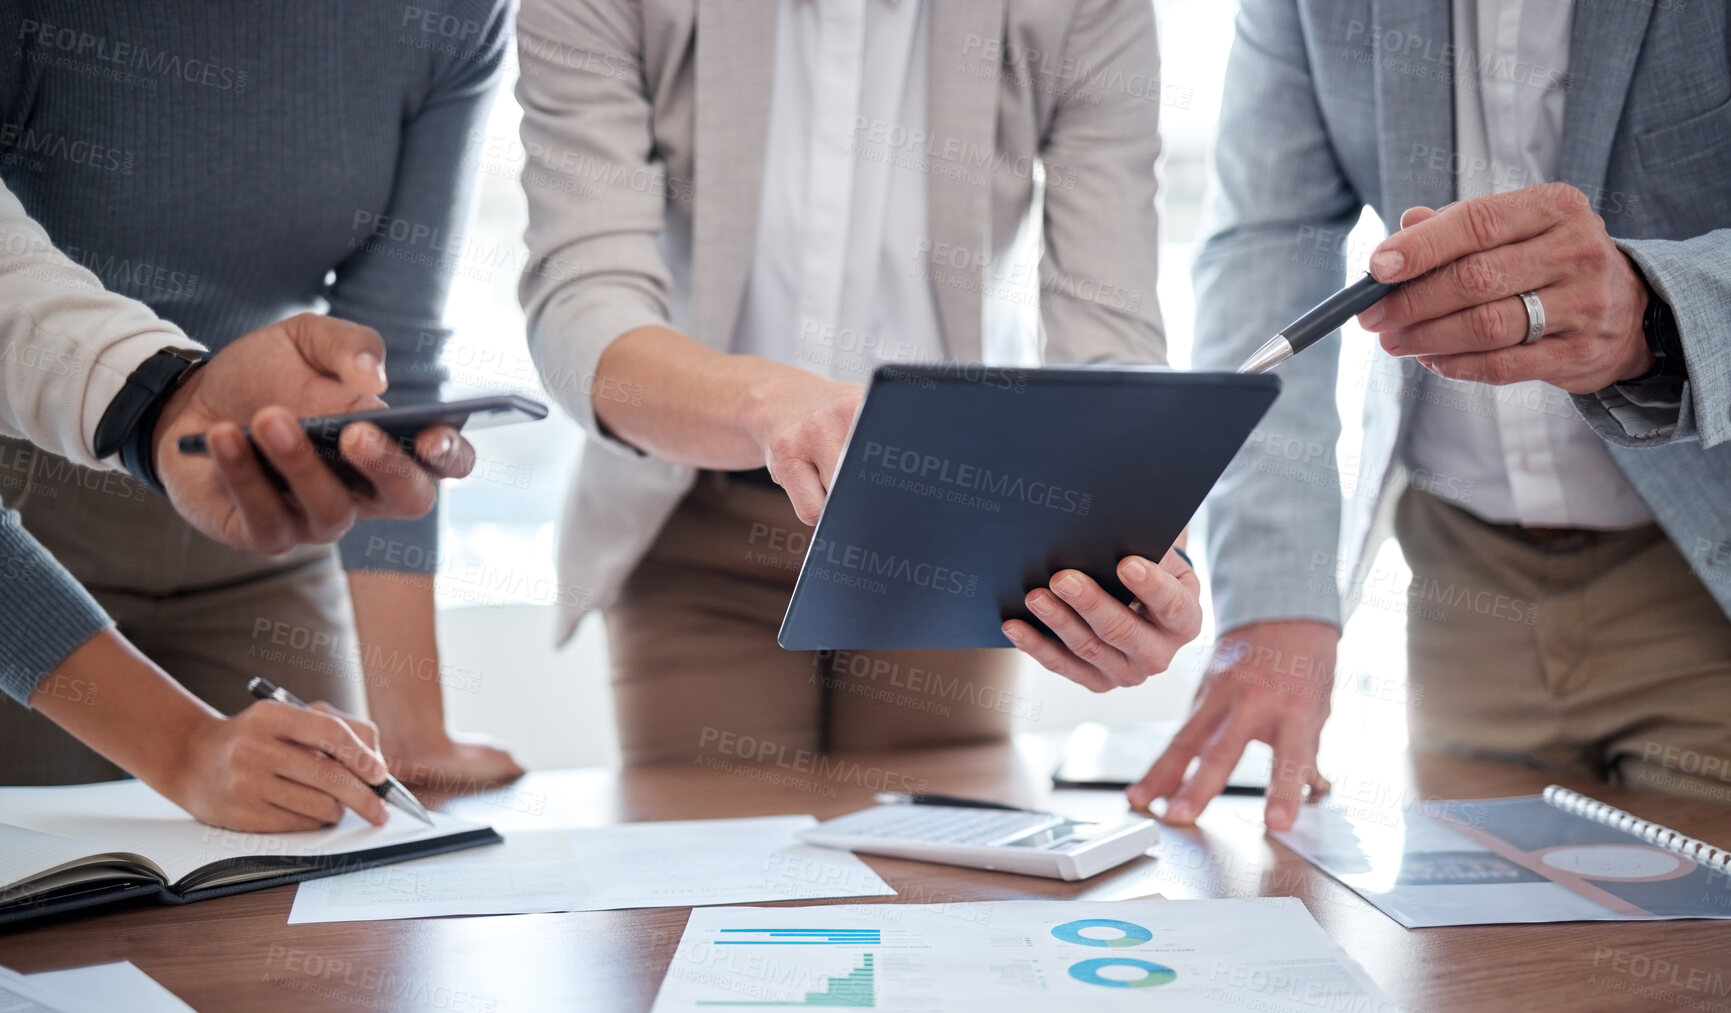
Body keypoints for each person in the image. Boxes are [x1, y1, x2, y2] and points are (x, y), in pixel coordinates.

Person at [1034, 1, 1731, 826]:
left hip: (1701, 570)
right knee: (1478, 942)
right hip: (1465, 584)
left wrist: (1652, 312)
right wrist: (1274, 598)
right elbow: (1266, 241)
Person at [517, 0, 1201, 766]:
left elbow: (1106, 329)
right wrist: (762, 404)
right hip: (695, 516)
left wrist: (1138, 532)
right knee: (708, 853)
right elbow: (580, 304)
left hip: (955, 520)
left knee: (938, 860)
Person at [0, 1, 523, 789]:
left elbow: (391, 361)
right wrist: (162, 397)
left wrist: (412, 730)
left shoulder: (454, 16)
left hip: (267, 509)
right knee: (58, 887)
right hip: (31, 519)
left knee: (316, 847)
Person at [0, 183, 472, 829]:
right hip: (36, 523)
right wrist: (185, 748)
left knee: (313, 824)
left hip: (265, 510)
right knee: (50, 870)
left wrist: (167, 399)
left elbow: (400, 336)